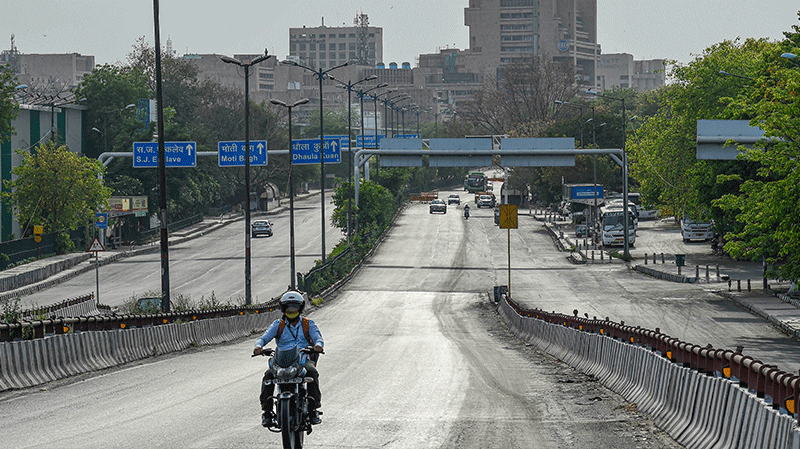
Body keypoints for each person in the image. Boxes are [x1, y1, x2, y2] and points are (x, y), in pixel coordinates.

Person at [254, 291, 324, 427]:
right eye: (288, 307)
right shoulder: (277, 325)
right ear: (283, 309)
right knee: (268, 376)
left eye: (295, 307)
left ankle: (313, 409)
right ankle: (267, 412)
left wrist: (317, 346)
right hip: (281, 360)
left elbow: (318, 338)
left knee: (312, 372)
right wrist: (258, 346)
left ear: (300, 308)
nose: (291, 310)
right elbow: (263, 338)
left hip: (302, 359)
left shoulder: (308, 324)